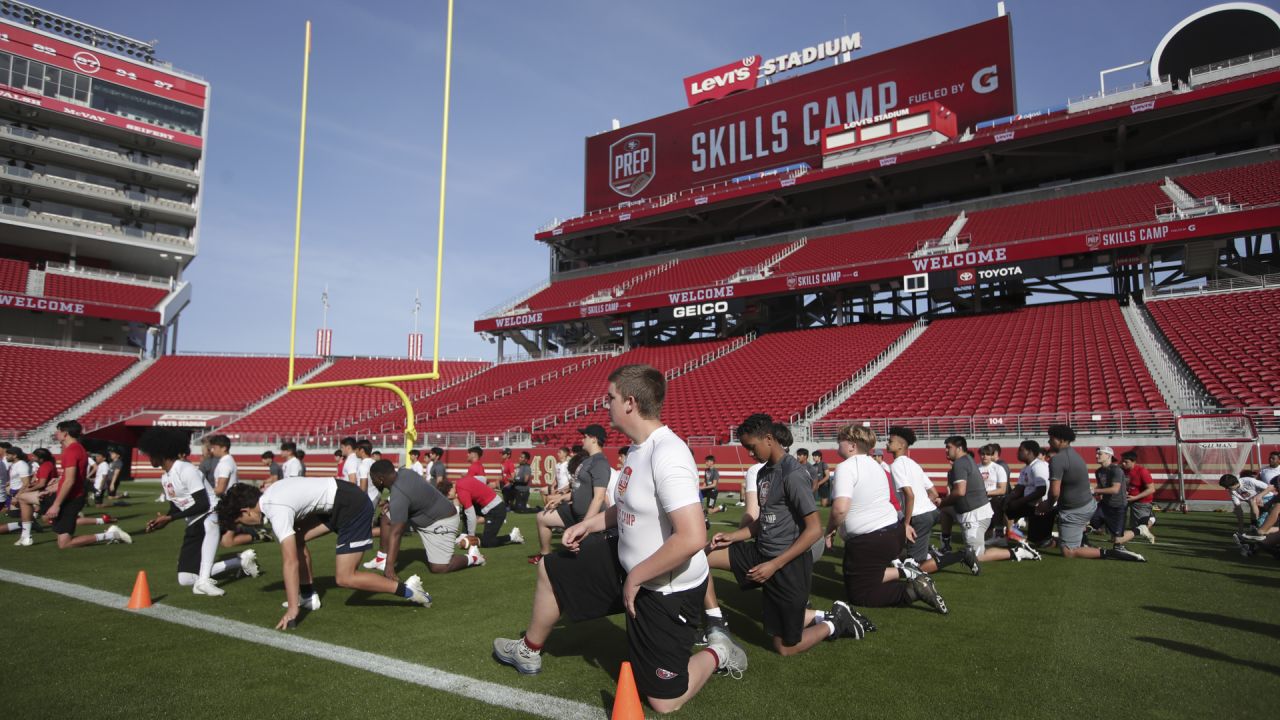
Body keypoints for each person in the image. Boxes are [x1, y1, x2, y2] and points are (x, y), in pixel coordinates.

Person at [493, 365, 747, 713]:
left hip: (663, 587)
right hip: (628, 564)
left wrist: (637, 578)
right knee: (552, 571)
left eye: (610, 398)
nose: (605, 405)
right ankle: (529, 649)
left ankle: (719, 650)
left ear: (629, 403)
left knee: (663, 700)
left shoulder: (668, 454)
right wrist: (590, 525)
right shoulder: (638, 448)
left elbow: (691, 537)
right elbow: (629, 507)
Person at [705, 414, 870, 657]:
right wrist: (734, 536)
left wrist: (773, 565)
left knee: (784, 646)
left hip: (788, 565)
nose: (750, 454)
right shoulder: (763, 473)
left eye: (752, 447)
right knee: (702, 556)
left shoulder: (793, 474)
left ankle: (834, 623)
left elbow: (814, 530)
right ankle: (715, 623)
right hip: (761, 553)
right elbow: (764, 521)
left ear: (769, 439)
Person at [217, 475, 432, 630]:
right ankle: (309, 596)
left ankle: (409, 590)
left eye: (240, 520)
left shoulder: (275, 508)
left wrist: (293, 608)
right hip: (337, 501)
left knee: (345, 577)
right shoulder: (270, 495)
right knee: (297, 538)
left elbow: (290, 562)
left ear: (245, 511)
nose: (246, 524)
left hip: (351, 505)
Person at [827, 424, 947, 614]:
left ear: (851, 445)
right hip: (892, 532)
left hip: (870, 538)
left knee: (860, 594)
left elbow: (840, 509)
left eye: (839, 441)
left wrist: (829, 530)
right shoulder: (878, 467)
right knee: (866, 575)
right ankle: (908, 572)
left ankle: (912, 591)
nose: (836, 446)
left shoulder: (846, 467)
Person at [138, 428, 260, 596]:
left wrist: (171, 518)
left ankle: (204, 582)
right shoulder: (165, 477)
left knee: (210, 522)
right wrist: (163, 520)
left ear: (161, 452)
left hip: (210, 513)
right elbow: (175, 506)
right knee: (185, 579)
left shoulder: (185, 469)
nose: (148, 458)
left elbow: (203, 504)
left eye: (150, 454)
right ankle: (239, 562)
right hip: (193, 522)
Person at [12, 422, 130, 549]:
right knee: (24, 498)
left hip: (70, 499)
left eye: (58, 431)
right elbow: (72, 477)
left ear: (65, 433)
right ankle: (26, 537)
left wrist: (56, 505)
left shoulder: (72, 451)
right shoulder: (76, 449)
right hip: (68, 495)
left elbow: (70, 481)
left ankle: (112, 535)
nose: (56, 434)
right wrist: (54, 486)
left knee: (64, 544)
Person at [1036, 425, 1145, 562]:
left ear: (1062, 440)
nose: (1049, 441)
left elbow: (1054, 492)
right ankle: (1082, 540)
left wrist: (1047, 505)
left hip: (1075, 510)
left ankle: (1111, 553)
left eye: (1051, 438)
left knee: (1068, 551)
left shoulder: (1058, 460)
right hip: (1086, 505)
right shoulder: (1075, 455)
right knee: (1079, 530)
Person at [364, 460, 484, 575]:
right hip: (423, 516)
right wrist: (391, 502)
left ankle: (473, 557)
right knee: (387, 518)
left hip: (442, 521)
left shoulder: (399, 495)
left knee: (440, 567)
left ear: (380, 479)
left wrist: (389, 568)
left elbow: (396, 533)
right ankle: (381, 560)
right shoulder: (405, 472)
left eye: (373, 478)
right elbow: (411, 493)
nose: (372, 482)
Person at [529, 429, 609, 564]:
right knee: (542, 517)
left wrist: (585, 525)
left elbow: (599, 497)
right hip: (573, 512)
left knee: (585, 562)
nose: (582, 440)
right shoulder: (588, 460)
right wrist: (561, 498)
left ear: (594, 439)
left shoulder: (600, 462)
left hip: (587, 517)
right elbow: (580, 489)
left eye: (585, 437)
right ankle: (545, 555)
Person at [886, 426, 941, 572]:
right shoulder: (914, 464)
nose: (886, 443)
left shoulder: (896, 465)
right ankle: (928, 553)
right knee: (902, 542)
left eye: (890, 441)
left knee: (914, 566)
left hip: (919, 516)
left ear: (901, 445)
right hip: (931, 512)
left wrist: (906, 523)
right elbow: (934, 493)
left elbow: (909, 495)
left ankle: (959, 556)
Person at [936, 436, 993, 575]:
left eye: (949, 447)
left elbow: (960, 492)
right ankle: (946, 544)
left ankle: (1015, 552)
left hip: (975, 515)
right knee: (945, 510)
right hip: (971, 511)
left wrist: (942, 501)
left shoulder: (960, 463)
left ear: (959, 448)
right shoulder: (966, 461)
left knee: (977, 556)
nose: (946, 450)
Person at [451, 473, 522, 548]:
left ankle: (512, 536)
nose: (449, 499)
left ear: (450, 489)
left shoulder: (462, 491)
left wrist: (471, 536)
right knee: (467, 507)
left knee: (487, 542)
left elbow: (471, 516)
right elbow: (482, 479)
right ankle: (464, 534)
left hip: (496, 509)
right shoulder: (462, 480)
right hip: (488, 507)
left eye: (447, 495)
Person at [1006, 441, 1052, 546]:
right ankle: (1011, 534)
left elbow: (1041, 490)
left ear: (1030, 452)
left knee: (1039, 542)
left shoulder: (1038, 466)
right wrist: (1008, 498)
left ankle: (1056, 541)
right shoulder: (1026, 468)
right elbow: (1019, 487)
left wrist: (1019, 502)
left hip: (1042, 506)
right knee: (1005, 506)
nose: (1018, 452)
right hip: (1030, 504)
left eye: (1021, 450)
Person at [1090, 447, 1137, 552]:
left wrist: (1094, 490)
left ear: (1108, 456)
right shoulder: (1098, 471)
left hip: (1118, 507)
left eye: (1099, 454)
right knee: (1091, 523)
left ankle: (1139, 530)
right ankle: (1081, 542)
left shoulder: (1116, 470)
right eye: (1097, 453)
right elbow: (1101, 487)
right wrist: (1093, 493)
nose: (1096, 456)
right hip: (1105, 505)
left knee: (1117, 541)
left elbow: (1115, 489)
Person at [1120, 450, 1157, 543]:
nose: (1123, 463)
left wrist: (1135, 497)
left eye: (1126, 462)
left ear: (1133, 462)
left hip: (1142, 501)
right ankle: (1117, 534)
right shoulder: (1121, 470)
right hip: (1127, 499)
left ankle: (1152, 518)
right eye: (1122, 461)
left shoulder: (1142, 471)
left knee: (1139, 528)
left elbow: (1151, 489)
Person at [1220, 473, 1271, 538]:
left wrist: (1259, 496)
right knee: (1251, 502)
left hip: (1269, 498)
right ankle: (1254, 526)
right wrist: (1241, 529)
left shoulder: (1249, 481)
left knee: (1252, 501)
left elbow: (1270, 487)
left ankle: (1256, 525)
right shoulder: (1232, 491)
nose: (1226, 489)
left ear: (1234, 484)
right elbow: (1239, 510)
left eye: (1227, 487)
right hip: (1257, 504)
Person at [978, 444, 1009, 541]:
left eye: (988, 454)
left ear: (992, 455)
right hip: (979, 499)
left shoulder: (998, 468)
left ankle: (999, 535)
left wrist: (986, 493)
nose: (985, 456)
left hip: (994, 499)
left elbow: (1002, 489)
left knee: (997, 502)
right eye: (983, 454)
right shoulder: (976, 468)